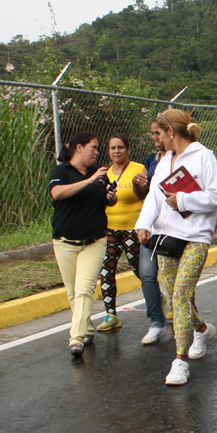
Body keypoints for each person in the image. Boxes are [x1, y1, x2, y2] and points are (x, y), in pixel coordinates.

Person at [137, 109, 217, 386]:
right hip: (167, 236)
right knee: (172, 293)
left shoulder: (204, 156)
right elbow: (154, 194)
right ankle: (200, 329)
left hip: (196, 237)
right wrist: (144, 224)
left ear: (171, 132)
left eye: (159, 133)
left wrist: (184, 200)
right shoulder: (165, 160)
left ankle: (180, 362)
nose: (157, 139)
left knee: (180, 294)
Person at [48, 131, 118, 356]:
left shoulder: (99, 174)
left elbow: (108, 200)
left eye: (98, 148)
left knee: (85, 289)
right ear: (78, 147)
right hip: (64, 242)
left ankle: (76, 338)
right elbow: (57, 194)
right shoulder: (61, 171)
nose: (97, 153)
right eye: (93, 148)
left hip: (94, 241)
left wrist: (110, 197)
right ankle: (87, 329)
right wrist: (89, 181)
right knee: (72, 292)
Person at [96, 134, 146, 333]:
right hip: (110, 229)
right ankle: (111, 315)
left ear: (128, 149)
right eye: (112, 148)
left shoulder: (138, 169)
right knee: (106, 270)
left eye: (120, 147)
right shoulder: (103, 173)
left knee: (139, 269)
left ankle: (158, 297)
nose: (116, 151)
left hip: (133, 229)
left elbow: (146, 194)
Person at [132, 120, 170, 344]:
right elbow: (143, 195)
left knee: (173, 278)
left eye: (159, 133)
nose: (156, 138)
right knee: (147, 273)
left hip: (174, 227)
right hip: (152, 225)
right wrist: (139, 183)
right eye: (152, 134)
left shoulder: (180, 157)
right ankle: (156, 322)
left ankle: (193, 323)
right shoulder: (150, 161)